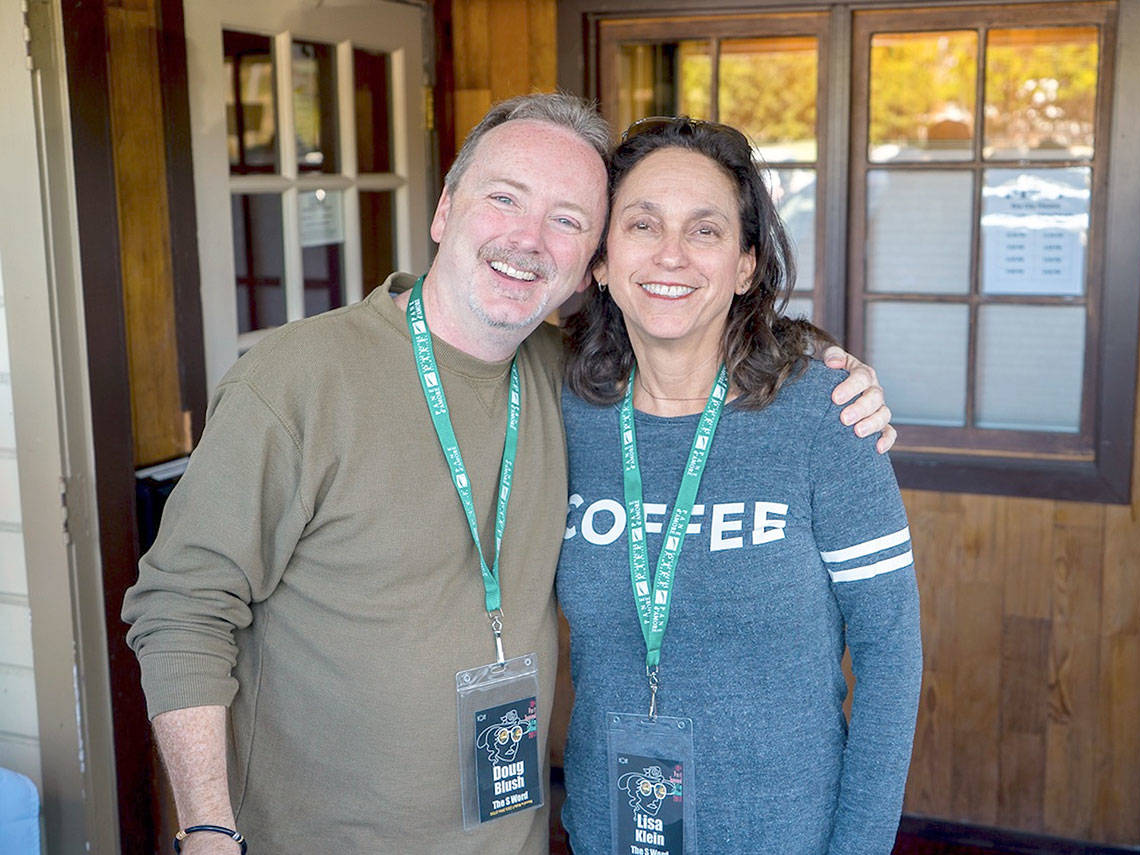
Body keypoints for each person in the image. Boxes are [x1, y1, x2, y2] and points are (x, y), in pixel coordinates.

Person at [122, 94, 893, 855]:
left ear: (588, 261)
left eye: (566, 218)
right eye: (504, 199)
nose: (528, 240)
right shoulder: (298, 379)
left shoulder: (569, 385)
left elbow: (700, 345)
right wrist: (209, 829)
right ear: (445, 210)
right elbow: (182, 604)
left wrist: (824, 367)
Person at [557, 116, 921, 854]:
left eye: (706, 230)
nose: (670, 255)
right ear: (600, 260)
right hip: (607, 831)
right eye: (642, 224)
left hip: (785, 834)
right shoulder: (556, 408)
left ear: (747, 266)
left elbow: (890, 656)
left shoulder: (825, 411)